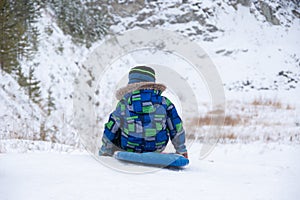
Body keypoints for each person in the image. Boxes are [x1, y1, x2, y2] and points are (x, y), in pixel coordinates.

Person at [99, 66, 188, 158]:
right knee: (169, 123)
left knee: (117, 124)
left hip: (129, 147)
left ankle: (113, 150)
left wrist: (105, 150)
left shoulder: (124, 104)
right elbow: (176, 127)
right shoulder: (164, 102)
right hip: (156, 147)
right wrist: (181, 149)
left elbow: (111, 127)